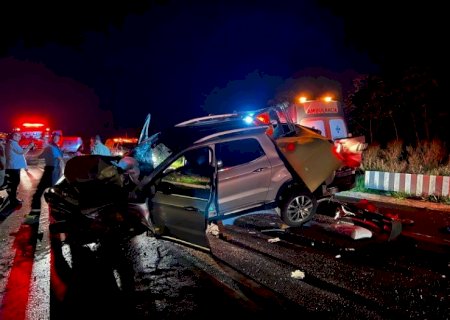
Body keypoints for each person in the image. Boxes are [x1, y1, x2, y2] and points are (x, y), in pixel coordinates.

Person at [28, 131, 64, 217]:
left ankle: (34, 216)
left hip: (52, 172)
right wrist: (30, 154)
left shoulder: (53, 147)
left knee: (40, 194)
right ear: (52, 137)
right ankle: (53, 215)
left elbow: (60, 160)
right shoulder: (51, 147)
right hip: (51, 171)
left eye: (58, 137)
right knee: (48, 194)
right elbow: (39, 155)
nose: (56, 138)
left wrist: (62, 173)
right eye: (55, 137)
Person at [5, 132, 34, 207]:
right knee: (14, 185)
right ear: (12, 136)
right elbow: (22, 152)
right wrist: (30, 146)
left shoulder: (12, 143)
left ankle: (12, 198)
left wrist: (25, 166)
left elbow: (21, 154)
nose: (18, 137)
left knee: (13, 184)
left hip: (13, 167)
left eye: (19, 136)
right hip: (13, 167)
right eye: (16, 135)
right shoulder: (13, 143)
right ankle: (13, 201)